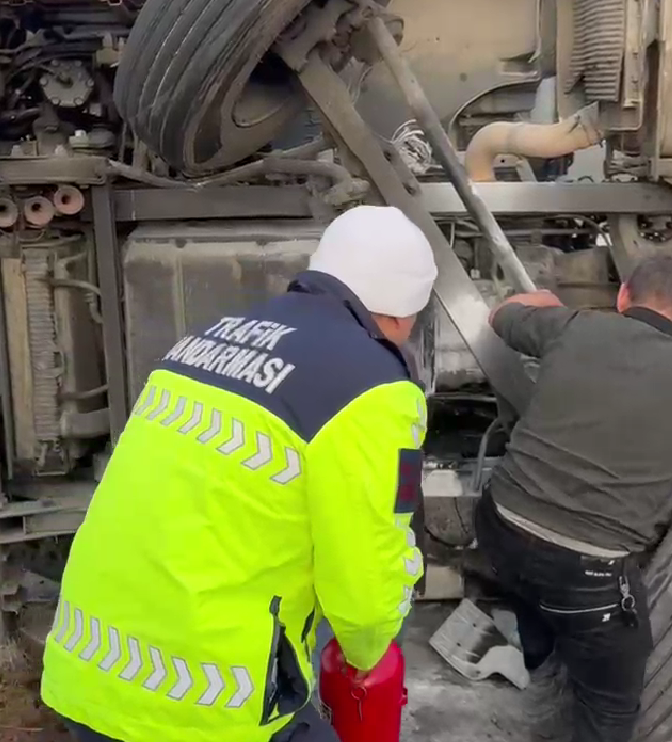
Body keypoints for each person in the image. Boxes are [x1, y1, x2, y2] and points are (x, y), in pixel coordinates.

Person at [41, 205, 435, 742]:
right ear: (401, 311)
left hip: (88, 665)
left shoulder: (205, 339)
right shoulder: (373, 388)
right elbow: (366, 578)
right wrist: (367, 651)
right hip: (201, 698)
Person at [474, 251, 672, 742]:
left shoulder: (574, 327)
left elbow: (500, 314)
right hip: (586, 574)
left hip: (500, 525)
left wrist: (547, 302)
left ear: (623, 296)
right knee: (612, 705)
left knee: (534, 588)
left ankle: (541, 659)